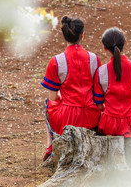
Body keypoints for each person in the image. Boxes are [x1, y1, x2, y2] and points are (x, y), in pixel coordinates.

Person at [41, 16, 101, 161]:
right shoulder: (94, 59)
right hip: (92, 114)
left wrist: (63, 96)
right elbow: (99, 92)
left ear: (64, 36)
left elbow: (53, 97)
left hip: (67, 118)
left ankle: (50, 145)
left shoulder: (56, 61)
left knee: (47, 104)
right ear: (82, 35)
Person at [93, 27, 131, 149]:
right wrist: (130, 110)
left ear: (105, 48)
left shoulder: (100, 72)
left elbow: (99, 105)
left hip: (108, 125)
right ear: (125, 42)